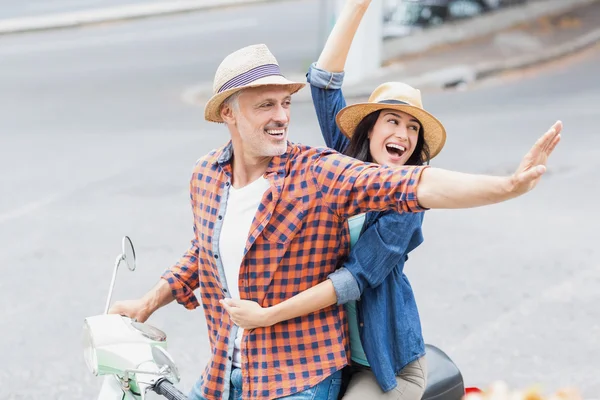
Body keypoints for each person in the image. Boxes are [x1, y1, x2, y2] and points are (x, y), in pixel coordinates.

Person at [108, 40, 562, 400]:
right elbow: (204, 252)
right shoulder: (206, 175)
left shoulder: (320, 172)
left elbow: (415, 188)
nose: (282, 116)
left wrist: (506, 186)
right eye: (265, 105)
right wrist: (148, 301)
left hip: (310, 373)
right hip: (226, 370)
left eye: (285, 103)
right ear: (229, 112)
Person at [219, 0, 440, 399]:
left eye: (412, 129)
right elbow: (324, 82)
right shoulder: (347, 163)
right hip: (328, 357)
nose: (403, 136)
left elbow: (353, 279)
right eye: (392, 121)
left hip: (385, 364)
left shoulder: (408, 205)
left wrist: (267, 316)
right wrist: (358, 7)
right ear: (371, 130)